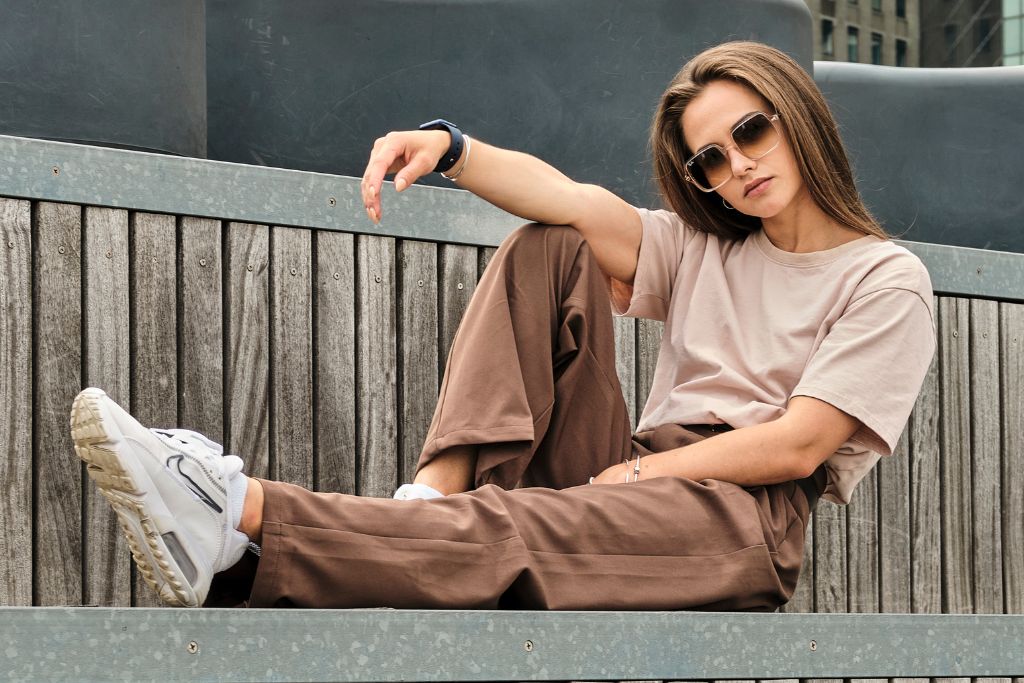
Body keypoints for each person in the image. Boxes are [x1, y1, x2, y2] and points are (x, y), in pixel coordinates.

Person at [70, 40, 935, 610]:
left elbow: (798, 444)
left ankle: (237, 513)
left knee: (527, 524)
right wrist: (451, 148)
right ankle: (428, 498)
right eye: (711, 157)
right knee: (549, 243)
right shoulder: (709, 247)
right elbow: (569, 202)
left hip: (739, 520)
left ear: (798, 115)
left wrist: (638, 479)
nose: (736, 164)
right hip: (642, 468)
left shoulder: (885, 278)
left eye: (751, 130)